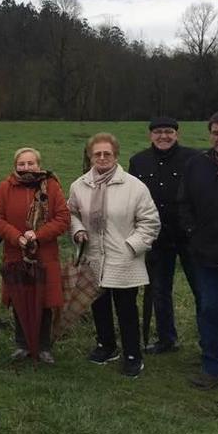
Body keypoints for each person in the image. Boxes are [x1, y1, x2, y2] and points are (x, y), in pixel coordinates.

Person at [68, 133, 160, 378]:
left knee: (126, 307)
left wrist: (132, 246)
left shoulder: (134, 186)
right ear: (90, 157)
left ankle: (132, 354)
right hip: (94, 257)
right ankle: (106, 346)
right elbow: (72, 213)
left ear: (115, 155)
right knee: (98, 304)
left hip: (123, 258)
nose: (102, 157)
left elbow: (150, 222)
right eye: (97, 153)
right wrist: (77, 230)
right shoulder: (79, 186)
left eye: (106, 153)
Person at [0, 148, 70, 363]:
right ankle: (22, 345)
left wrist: (38, 235)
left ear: (38, 164)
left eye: (31, 163)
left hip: (45, 253)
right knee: (20, 298)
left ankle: (43, 347)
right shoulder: (6, 187)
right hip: (16, 253)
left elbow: (62, 218)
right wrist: (17, 237)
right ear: (16, 165)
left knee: (44, 300)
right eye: (22, 164)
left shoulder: (51, 186)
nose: (26, 168)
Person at [128, 116, 201, 354]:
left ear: (177, 134)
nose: (163, 136)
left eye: (168, 131)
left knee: (202, 290)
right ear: (151, 135)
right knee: (160, 290)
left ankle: (209, 340)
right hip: (157, 238)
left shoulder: (194, 159)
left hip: (191, 237)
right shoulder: (138, 162)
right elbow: (132, 201)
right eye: (158, 131)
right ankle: (167, 339)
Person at [179, 110, 218, 390]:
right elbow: (183, 204)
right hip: (207, 255)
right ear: (210, 134)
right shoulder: (196, 164)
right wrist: (192, 233)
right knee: (209, 309)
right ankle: (212, 366)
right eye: (217, 132)